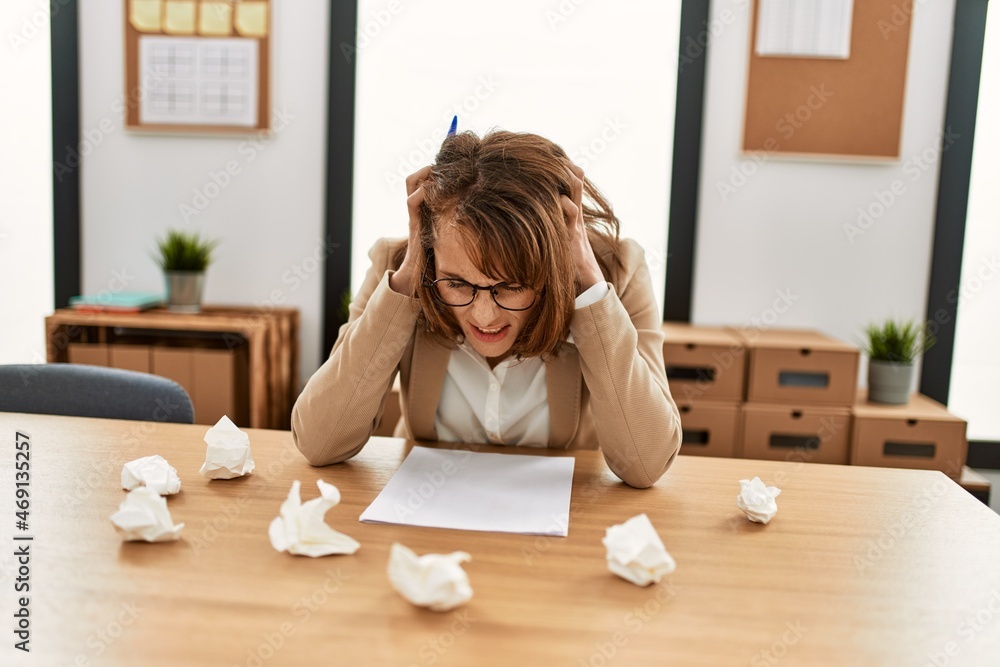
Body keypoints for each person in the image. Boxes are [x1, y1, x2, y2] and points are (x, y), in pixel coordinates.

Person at [291, 129, 682, 488]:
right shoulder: (401, 269)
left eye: (510, 286)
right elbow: (319, 443)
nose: (483, 316)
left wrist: (586, 286)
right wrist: (409, 277)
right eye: (458, 283)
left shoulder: (616, 272)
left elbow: (645, 465)